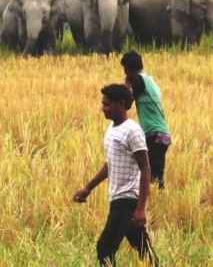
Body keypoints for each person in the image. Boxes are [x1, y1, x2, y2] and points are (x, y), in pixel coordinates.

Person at [73, 84, 156, 266]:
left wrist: (141, 208)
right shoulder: (111, 129)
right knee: (143, 247)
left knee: (105, 248)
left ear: (121, 104)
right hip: (116, 197)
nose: (103, 108)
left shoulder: (132, 131)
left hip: (127, 199)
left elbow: (145, 168)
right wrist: (88, 188)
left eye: (107, 104)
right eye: (103, 104)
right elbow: (110, 164)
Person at [121, 51, 171, 189]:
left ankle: (151, 203)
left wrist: (126, 83)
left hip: (153, 134)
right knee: (154, 174)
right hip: (162, 134)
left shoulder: (138, 80)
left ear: (128, 69)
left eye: (125, 69)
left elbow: (125, 104)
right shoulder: (150, 80)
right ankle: (157, 201)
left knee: (149, 175)